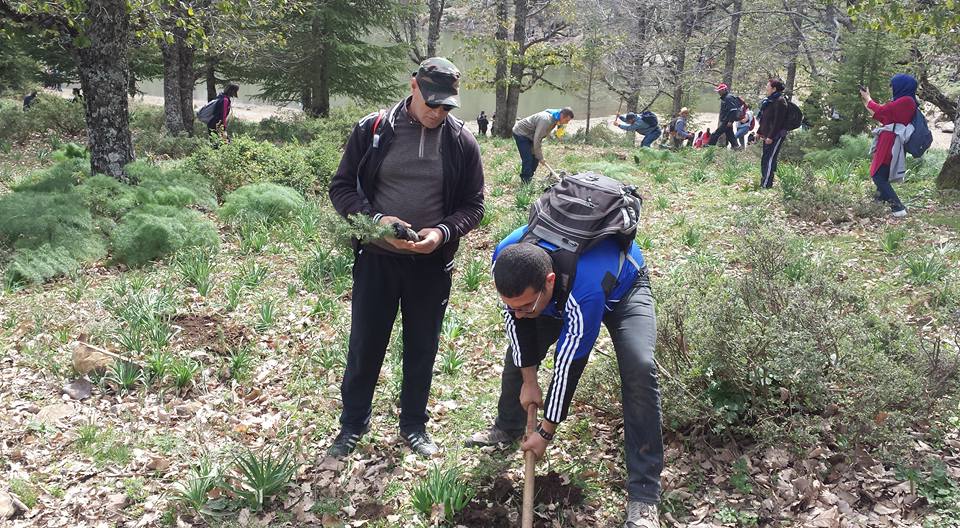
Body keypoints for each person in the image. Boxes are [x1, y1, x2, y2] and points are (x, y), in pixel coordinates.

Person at [327, 57, 485, 458]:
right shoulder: (374, 128)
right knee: (366, 344)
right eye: (431, 102)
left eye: (446, 105)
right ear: (413, 85)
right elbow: (342, 188)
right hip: (378, 259)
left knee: (422, 346)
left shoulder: (462, 141)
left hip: (431, 265)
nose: (437, 113)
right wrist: (377, 221)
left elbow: (473, 204)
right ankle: (352, 424)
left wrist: (442, 233)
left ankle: (414, 425)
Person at [466, 225, 661, 528]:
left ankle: (644, 496)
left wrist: (545, 431)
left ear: (549, 282)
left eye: (525, 305)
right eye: (511, 305)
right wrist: (529, 381)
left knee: (640, 366)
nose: (517, 312)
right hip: (554, 297)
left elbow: (569, 363)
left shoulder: (586, 288)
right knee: (517, 356)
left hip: (621, 290)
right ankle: (507, 426)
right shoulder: (505, 257)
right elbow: (516, 325)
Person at [860, 74, 916, 217]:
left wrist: (869, 99)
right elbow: (882, 116)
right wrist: (867, 101)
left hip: (890, 141)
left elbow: (882, 111)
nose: (892, 89)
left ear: (902, 86)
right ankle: (876, 203)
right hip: (888, 138)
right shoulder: (904, 101)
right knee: (882, 173)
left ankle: (898, 208)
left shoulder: (906, 101)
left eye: (894, 86)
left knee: (878, 174)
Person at [513, 107, 575, 183]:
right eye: (566, 120)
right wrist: (541, 157)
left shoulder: (556, 117)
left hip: (531, 135)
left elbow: (543, 134)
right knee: (528, 159)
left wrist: (538, 156)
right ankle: (525, 182)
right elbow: (537, 139)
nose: (567, 123)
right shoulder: (546, 120)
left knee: (535, 159)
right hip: (521, 133)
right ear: (562, 116)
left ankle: (529, 177)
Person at [756, 78, 789, 189]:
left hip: (775, 135)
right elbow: (765, 119)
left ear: (774, 89)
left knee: (769, 158)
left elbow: (777, 122)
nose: (766, 88)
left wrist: (770, 136)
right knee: (765, 158)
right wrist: (759, 132)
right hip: (767, 135)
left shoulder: (780, 101)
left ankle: (766, 185)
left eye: (768, 86)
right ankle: (764, 181)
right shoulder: (769, 101)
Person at [708, 83, 743, 148]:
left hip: (727, 121)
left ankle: (709, 148)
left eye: (720, 90)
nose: (718, 92)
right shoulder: (726, 98)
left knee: (715, 134)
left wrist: (730, 121)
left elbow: (733, 110)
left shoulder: (728, 98)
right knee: (730, 135)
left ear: (724, 90)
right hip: (727, 121)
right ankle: (736, 147)